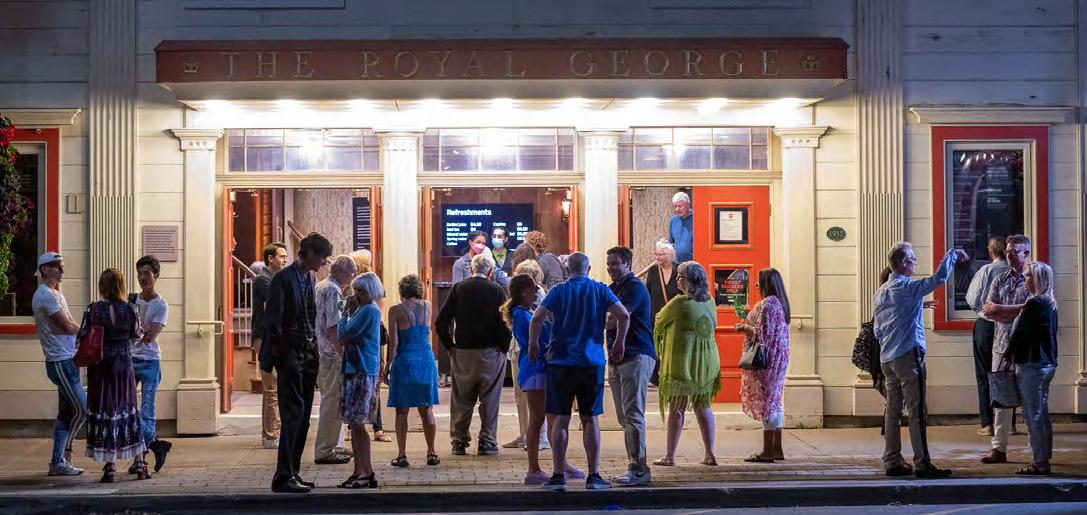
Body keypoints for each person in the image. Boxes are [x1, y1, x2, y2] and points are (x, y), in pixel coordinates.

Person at [528, 252, 630, 491]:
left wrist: (533, 344)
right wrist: (619, 342)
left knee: (560, 419)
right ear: (589, 269)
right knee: (590, 419)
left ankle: (557, 476)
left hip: (560, 363)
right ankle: (594, 476)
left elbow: (537, 318)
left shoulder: (558, 291)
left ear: (567, 270)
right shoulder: (600, 289)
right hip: (591, 362)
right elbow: (624, 315)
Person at [873, 242, 967, 479]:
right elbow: (938, 278)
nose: (915, 262)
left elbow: (882, 325)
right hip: (907, 354)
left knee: (892, 410)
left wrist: (919, 304)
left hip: (887, 357)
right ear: (903, 263)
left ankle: (892, 459)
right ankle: (922, 463)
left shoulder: (882, 291)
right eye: (913, 259)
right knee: (917, 411)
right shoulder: (906, 287)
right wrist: (952, 255)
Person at [264, 232, 333, 494]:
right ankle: (283, 475)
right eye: (322, 257)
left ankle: (292, 471)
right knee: (293, 414)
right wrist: (278, 356)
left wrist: (313, 346)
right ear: (310, 253)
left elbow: (310, 314)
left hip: (307, 352)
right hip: (290, 353)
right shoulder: (283, 278)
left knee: (303, 417)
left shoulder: (309, 278)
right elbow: (274, 320)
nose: (323, 263)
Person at [435, 253, 512, 456]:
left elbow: (441, 323)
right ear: (490, 271)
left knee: (461, 398)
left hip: (463, 352)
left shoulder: (458, 289)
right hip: (491, 352)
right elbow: (506, 322)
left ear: (470, 269)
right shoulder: (497, 290)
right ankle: (487, 441)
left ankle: (459, 441)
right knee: (490, 400)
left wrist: (449, 346)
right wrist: (503, 348)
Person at [83, 268, 148, 482]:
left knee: (106, 410)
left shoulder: (93, 309)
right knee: (129, 410)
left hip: (101, 366)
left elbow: (82, 335)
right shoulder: (130, 308)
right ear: (121, 285)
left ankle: (110, 466)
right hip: (123, 364)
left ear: (102, 286)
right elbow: (137, 334)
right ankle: (140, 463)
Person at [652, 261, 719, 468]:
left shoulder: (680, 303)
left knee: (676, 409)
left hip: (683, 362)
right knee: (703, 407)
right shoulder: (710, 301)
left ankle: (670, 456)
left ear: (690, 280)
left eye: (680, 277)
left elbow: (659, 320)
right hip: (706, 363)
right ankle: (710, 454)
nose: (677, 280)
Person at [604, 247, 657, 486]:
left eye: (615, 263)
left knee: (633, 413)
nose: (611, 268)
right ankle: (635, 464)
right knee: (624, 416)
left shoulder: (634, 287)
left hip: (636, 354)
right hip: (617, 358)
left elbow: (614, 318)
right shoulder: (613, 288)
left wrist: (602, 318)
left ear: (627, 263)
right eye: (609, 263)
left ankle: (638, 469)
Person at [980, 234, 1032, 465]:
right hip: (1001, 346)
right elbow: (988, 310)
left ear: (1026, 253)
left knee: (1030, 400)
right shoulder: (1000, 279)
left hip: (1026, 347)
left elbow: (1032, 309)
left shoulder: (1034, 277)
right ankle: (998, 449)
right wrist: (1015, 311)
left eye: (1014, 252)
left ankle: (1037, 451)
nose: (1009, 255)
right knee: (1001, 399)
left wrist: (1001, 309)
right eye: (1008, 251)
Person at [33, 252, 86, 477]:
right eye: (57, 266)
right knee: (83, 409)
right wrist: (90, 332)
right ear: (44, 269)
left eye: (62, 266)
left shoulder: (56, 294)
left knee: (66, 413)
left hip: (67, 359)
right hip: (60, 362)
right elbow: (66, 326)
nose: (62, 270)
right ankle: (65, 452)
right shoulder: (45, 295)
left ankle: (57, 462)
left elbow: (71, 324)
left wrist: (80, 332)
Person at [1006, 261, 1058, 475]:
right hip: (1046, 363)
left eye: (1028, 276)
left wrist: (1007, 355)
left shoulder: (1034, 304)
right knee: (1041, 411)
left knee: (1031, 413)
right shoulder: (1049, 303)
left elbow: (1020, 334)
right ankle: (1044, 456)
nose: (1024, 279)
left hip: (1031, 363)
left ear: (1039, 280)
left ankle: (1040, 461)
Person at [735, 268, 791, 463]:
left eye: (760, 281)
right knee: (775, 401)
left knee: (767, 402)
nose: (757, 285)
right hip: (779, 358)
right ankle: (777, 449)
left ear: (767, 283)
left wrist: (744, 327)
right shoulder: (780, 303)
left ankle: (767, 451)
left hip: (767, 360)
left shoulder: (767, 304)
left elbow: (762, 334)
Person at [385, 274, 440, 468]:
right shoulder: (427, 306)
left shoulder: (395, 311)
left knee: (402, 411)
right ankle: (431, 452)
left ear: (401, 291)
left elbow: (394, 344)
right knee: (427, 409)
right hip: (426, 360)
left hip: (405, 362)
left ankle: (402, 455)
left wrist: (387, 366)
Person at [336, 273, 385, 489]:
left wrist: (344, 314)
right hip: (354, 368)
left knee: (358, 423)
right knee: (354, 424)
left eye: (361, 291)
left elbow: (344, 335)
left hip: (362, 370)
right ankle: (360, 470)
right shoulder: (362, 309)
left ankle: (365, 471)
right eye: (355, 290)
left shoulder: (368, 310)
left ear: (371, 292)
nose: (356, 295)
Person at [128, 255, 172, 474]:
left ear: (156, 275)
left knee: (147, 409)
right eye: (139, 274)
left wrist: (132, 331)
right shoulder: (130, 300)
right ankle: (154, 444)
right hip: (129, 359)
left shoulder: (161, 305)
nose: (142, 278)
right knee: (127, 408)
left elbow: (150, 337)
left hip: (150, 361)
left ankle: (141, 458)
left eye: (147, 273)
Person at [313, 255, 356, 466]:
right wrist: (343, 353)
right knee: (332, 401)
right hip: (331, 354)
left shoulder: (321, 285)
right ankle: (325, 449)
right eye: (351, 273)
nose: (352, 277)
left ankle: (333, 445)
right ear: (340, 272)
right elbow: (334, 327)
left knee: (330, 400)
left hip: (321, 351)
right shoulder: (333, 290)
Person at [506, 259, 551, 452]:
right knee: (538, 414)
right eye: (534, 288)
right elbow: (539, 337)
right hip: (535, 365)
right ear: (525, 292)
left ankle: (536, 442)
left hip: (533, 364)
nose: (537, 290)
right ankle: (536, 446)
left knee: (537, 412)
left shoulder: (525, 311)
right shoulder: (523, 315)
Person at [965, 236, 1008, 436]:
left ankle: (987, 423)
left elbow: (972, 299)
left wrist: (983, 309)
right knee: (1007, 374)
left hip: (986, 326)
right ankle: (1008, 424)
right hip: (1009, 326)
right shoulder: (1015, 271)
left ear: (991, 252)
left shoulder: (986, 270)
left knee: (984, 374)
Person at [349, 248, 393, 443]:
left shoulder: (372, 283)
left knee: (373, 383)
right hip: (359, 334)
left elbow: (379, 314)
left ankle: (377, 427)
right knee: (357, 383)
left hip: (371, 337)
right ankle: (354, 426)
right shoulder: (353, 284)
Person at [253, 242, 287, 449]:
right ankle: (270, 435)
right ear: (270, 259)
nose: (285, 259)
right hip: (265, 337)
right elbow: (278, 301)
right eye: (281, 256)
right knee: (271, 387)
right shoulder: (263, 279)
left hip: (276, 337)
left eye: (285, 256)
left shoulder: (277, 278)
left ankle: (274, 432)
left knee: (276, 387)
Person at [638, 239, 680, 386]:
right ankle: (655, 377)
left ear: (670, 255)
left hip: (675, 316)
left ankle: (673, 375)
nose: (658, 257)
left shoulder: (679, 270)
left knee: (673, 347)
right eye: (656, 254)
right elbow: (648, 292)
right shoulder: (653, 271)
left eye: (661, 254)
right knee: (655, 345)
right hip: (656, 315)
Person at [668, 192, 693, 263]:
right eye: (675, 206)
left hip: (693, 263)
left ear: (688, 205)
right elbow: (671, 243)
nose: (677, 209)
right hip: (676, 263)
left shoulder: (697, 218)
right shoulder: (673, 220)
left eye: (680, 206)